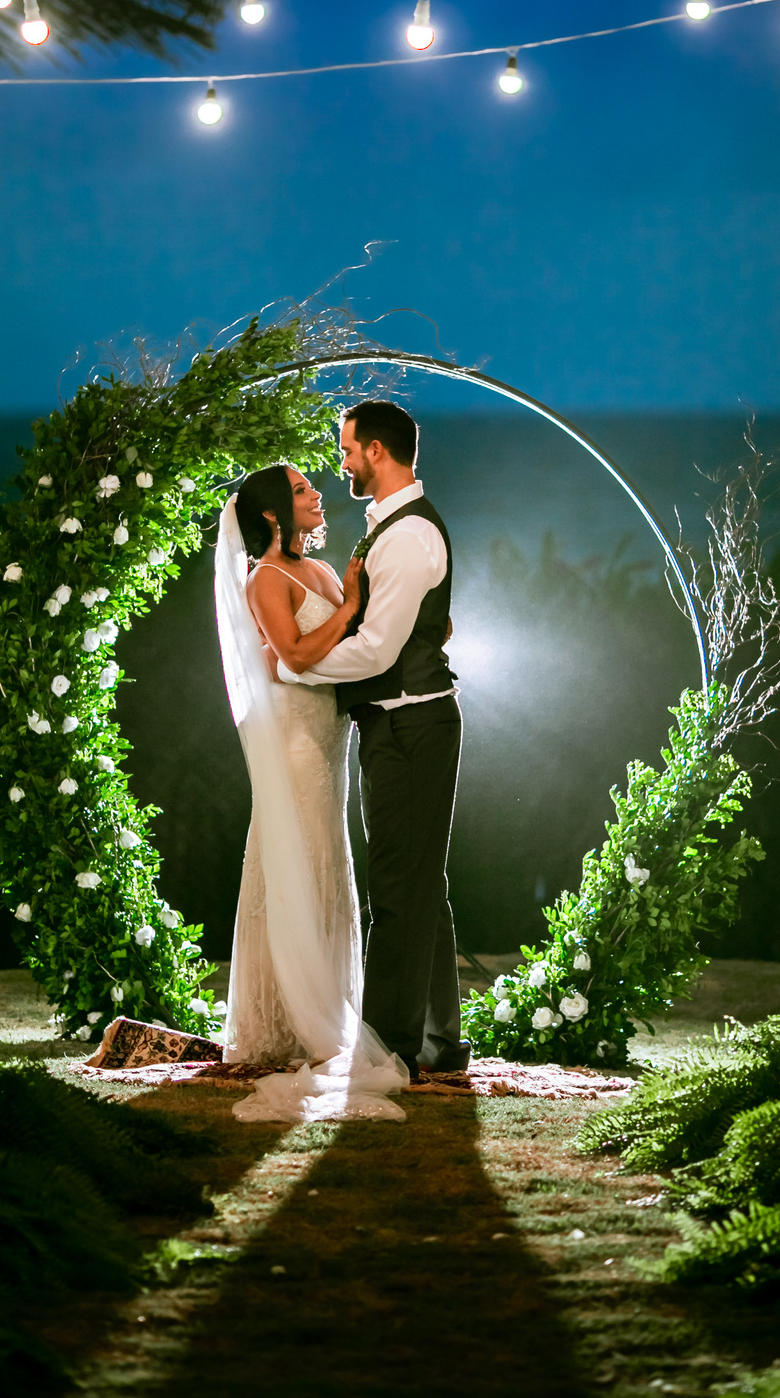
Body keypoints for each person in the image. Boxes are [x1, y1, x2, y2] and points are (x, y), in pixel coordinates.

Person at [278, 400, 469, 1083]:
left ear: (379, 452)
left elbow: (378, 651)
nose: (344, 462)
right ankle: (439, 1039)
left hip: (412, 720)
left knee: (399, 888)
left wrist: (293, 666)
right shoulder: (387, 528)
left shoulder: (408, 537)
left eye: (349, 450)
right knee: (421, 885)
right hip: (397, 720)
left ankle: (390, 1048)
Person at [213, 464, 406, 1122]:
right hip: (297, 747)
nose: (317, 494)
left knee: (328, 867)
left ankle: (314, 1004)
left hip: (331, 738)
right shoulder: (265, 578)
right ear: (272, 515)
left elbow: (336, 649)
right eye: (300, 491)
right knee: (300, 863)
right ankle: (281, 1020)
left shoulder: (320, 572)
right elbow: (294, 657)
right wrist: (350, 609)